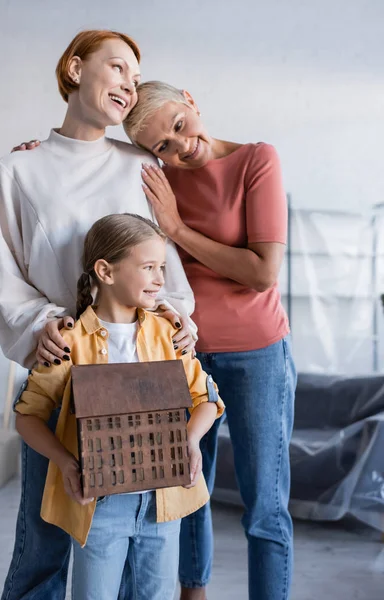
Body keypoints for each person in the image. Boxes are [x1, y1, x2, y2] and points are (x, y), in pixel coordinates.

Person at [0, 33, 196, 600]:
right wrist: (44, 325)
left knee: (133, 537)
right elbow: (8, 277)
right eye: (117, 68)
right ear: (76, 69)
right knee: (45, 536)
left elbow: (166, 274)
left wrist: (175, 317)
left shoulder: (141, 166)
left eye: (136, 76)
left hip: (138, 375)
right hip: (62, 371)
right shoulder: (17, 171)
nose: (129, 84)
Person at [122, 82, 297, 600]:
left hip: (258, 354)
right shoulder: (155, 179)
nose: (181, 149)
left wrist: (175, 228)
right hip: (183, 354)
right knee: (186, 487)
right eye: (163, 148)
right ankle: (191, 593)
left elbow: (262, 272)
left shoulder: (256, 160)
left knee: (264, 501)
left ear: (190, 100)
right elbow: (88, 163)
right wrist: (39, 151)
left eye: (179, 126)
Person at [14, 213, 225, 600]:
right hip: (99, 507)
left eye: (162, 267)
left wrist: (190, 441)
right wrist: (64, 462)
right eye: (149, 267)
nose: (161, 279)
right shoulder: (69, 340)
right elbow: (27, 415)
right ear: (105, 272)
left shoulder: (168, 333)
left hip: (164, 503)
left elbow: (208, 400)